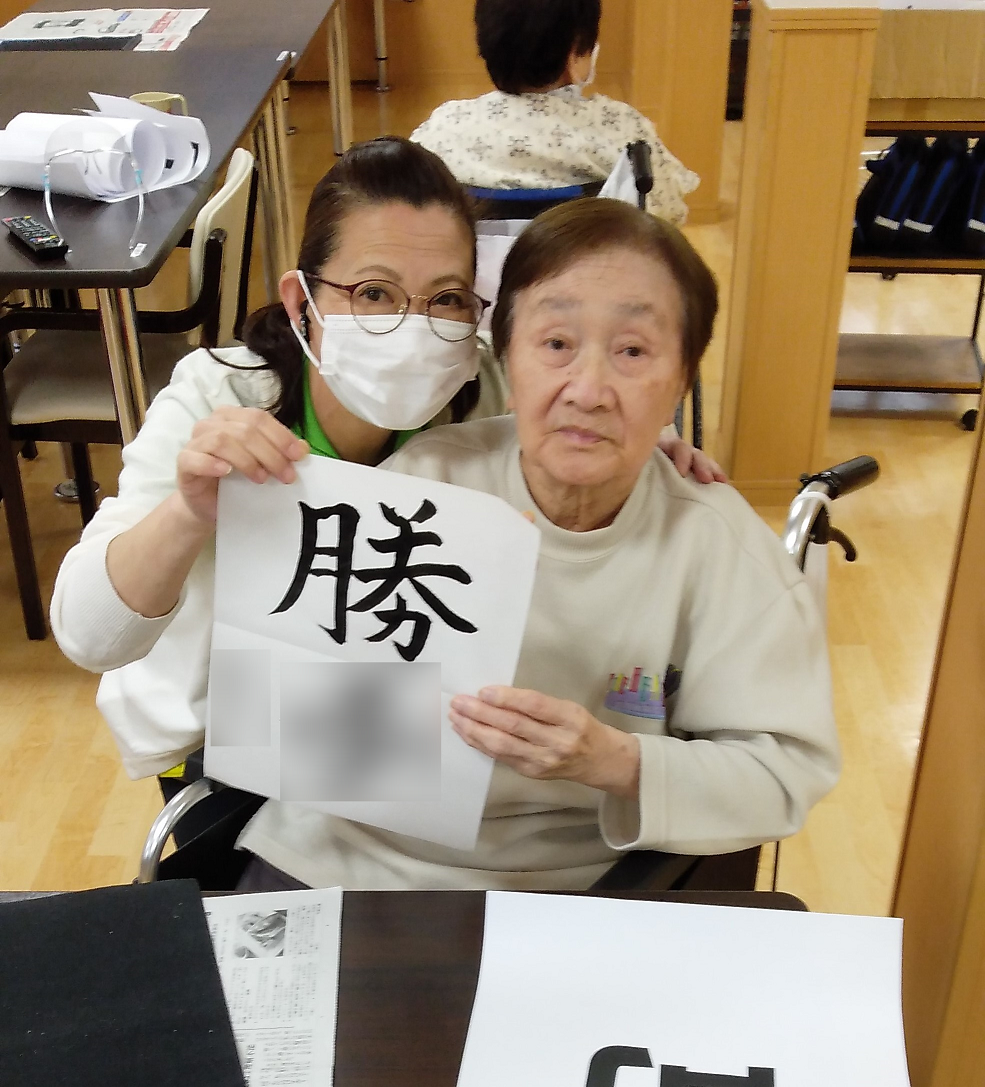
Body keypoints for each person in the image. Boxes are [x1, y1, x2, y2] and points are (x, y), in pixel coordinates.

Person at [53, 192, 838, 893]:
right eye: (555, 344)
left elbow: (784, 769)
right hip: (344, 851)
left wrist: (612, 758)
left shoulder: (719, 547)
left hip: (574, 882)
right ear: (509, 356)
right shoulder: (419, 476)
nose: (589, 388)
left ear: (681, 376)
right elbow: (278, 717)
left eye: (633, 352)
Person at [51, 137, 716, 812]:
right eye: (373, 293)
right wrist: (188, 512)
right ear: (301, 302)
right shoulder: (219, 398)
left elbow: (572, 390)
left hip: (416, 743)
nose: (412, 326)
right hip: (228, 752)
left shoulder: (486, 388)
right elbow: (88, 634)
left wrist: (640, 442)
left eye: (447, 298)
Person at [410, 0, 698, 224]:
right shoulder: (625, 132)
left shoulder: (442, 129)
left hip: (477, 281)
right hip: (591, 277)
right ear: (575, 53)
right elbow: (665, 216)